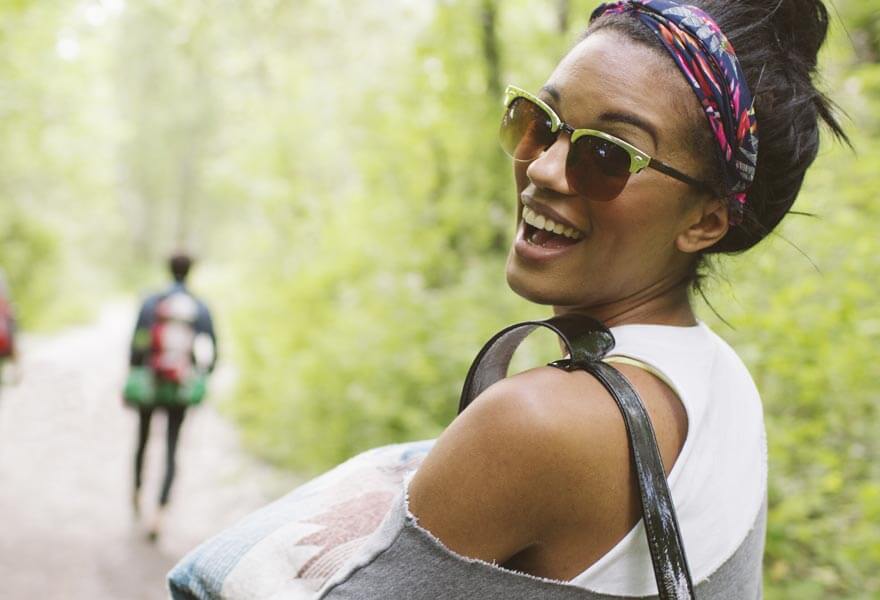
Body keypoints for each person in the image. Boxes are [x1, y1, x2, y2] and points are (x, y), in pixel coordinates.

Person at [169, 0, 846, 597]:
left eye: (607, 156)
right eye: (539, 121)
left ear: (704, 220)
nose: (544, 169)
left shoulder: (539, 422)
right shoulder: (721, 385)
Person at [129, 252, 217, 540]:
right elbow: (211, 351)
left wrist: (136, 373)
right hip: (179, 385)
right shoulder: (200, 307)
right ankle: (159, 514)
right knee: (171, 445)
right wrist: (199, 378)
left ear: (168, 269)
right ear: (191, 271)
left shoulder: (152, 302)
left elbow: (138, 342)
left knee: (142, 440)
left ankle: (138, 496)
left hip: (151, 381)